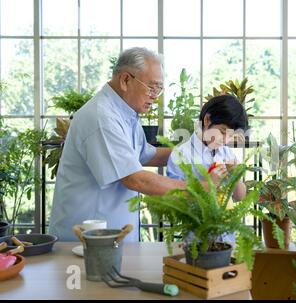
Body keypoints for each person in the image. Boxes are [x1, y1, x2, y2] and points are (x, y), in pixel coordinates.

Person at [49, 47, 215, 242]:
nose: (155, 96)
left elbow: (147, 155)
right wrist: (201, 188)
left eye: (159, 89)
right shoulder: (101, 117)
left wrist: (198, 151)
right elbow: (135, 179)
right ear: (125, 80)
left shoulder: (126, 113)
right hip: (85, 241)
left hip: (112, 237)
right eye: (152, 87)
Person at [166, 94, 249, 243]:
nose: (225, 140)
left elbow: (240, 197)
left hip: (228, 240)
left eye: (231, 136)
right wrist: (209, 184)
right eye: (222, 132)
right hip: (197, 242)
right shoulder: (182, 154)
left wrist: (236, 176)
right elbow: (174, 200)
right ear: (207, 120)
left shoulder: (227, 152)